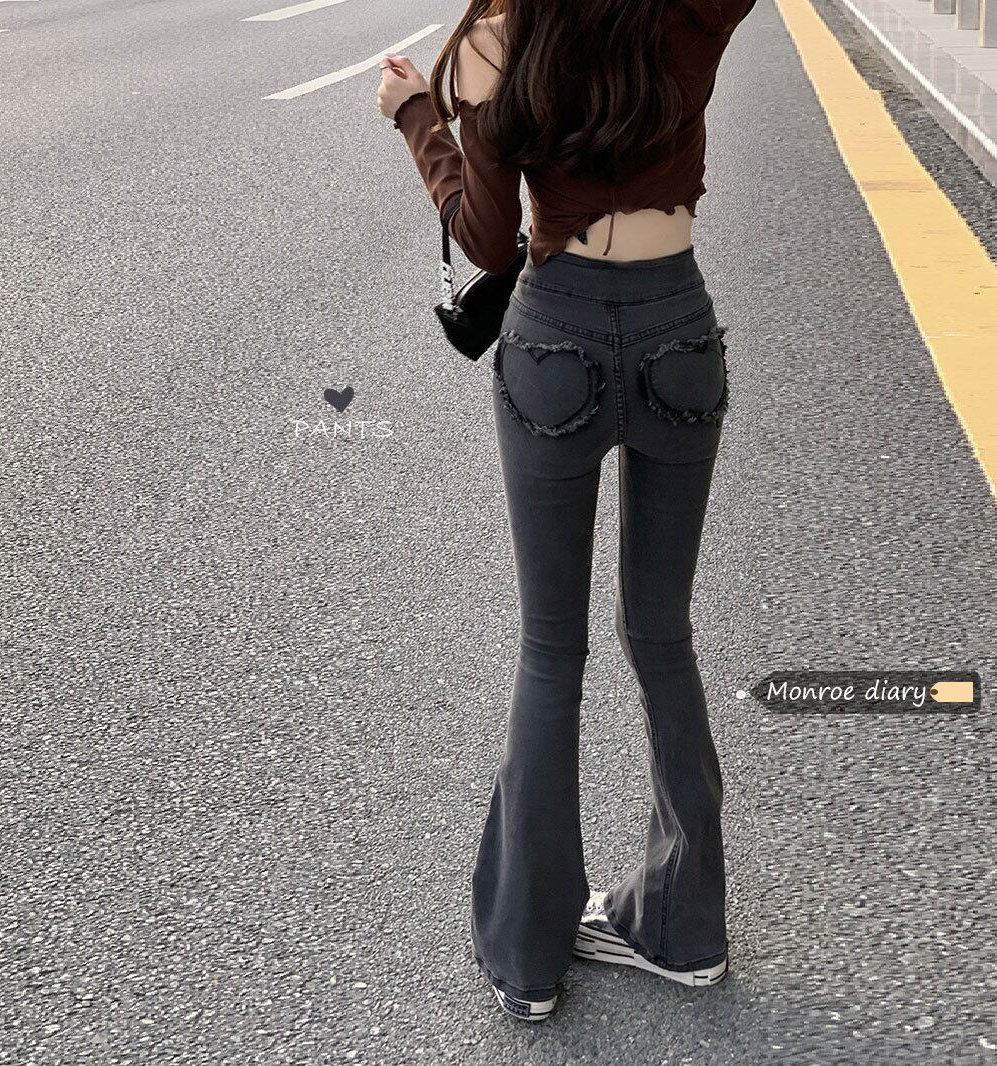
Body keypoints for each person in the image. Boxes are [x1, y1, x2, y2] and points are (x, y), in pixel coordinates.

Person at [377, 0, 758, 1023]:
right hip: (678, 328)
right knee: (663, 634)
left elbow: (485, 238)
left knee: (552, 648)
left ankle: (529, 956)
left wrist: (418, 118)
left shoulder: (499, 39)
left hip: (556, 337)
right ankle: (686, 930)